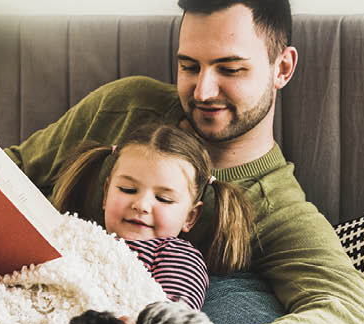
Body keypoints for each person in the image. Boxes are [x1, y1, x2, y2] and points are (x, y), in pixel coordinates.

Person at [5, 0, 364, 324]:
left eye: (230, 69)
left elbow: (350, 317)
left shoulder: (275, 205)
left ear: (281, 68)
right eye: (189, 66)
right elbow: (7, 167)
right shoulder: (126, 104)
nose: (203, 90)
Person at [52, 121, 255, 310]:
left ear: (190, 217)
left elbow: (172, 322)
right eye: (127, 189)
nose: (141, 205)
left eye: (164, 199)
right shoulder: (79, 233)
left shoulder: (178, 256)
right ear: (106, 194)